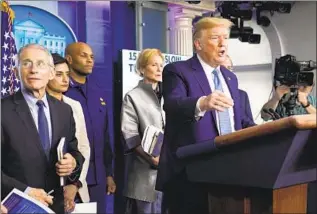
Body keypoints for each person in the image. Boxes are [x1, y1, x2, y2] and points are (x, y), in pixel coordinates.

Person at [156, 17, 252, 214]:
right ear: (198, 44)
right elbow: (173, 105)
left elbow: (239, 122)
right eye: (215, 37)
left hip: (230, 170)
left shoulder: (230, 78)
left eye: (225, 37)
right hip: (190, 173)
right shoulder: (178, 71)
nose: (223, 43)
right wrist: (202, 102)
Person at [1, 44, 84, 214]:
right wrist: (25, 191)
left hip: (56, 206)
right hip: (17, 207)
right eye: (26, 63)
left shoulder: (64, 111)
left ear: (51, 73)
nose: (33, 70)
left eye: (40, 64)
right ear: (16, 72)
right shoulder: (3, 110)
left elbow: (75, 152)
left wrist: (73, 163)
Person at [64, 42, 116, 213]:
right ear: (69, 59)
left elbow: (105, 135)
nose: (89, 60)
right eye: (83, 55)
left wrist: (108, 173)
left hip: (98, 177)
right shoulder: (61, 92)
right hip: (72, 179)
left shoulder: (98, 92)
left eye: (92, 57)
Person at [121, 49, 164, 214]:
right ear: (142, 68)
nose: (159, 69)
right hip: (144, 176)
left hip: (169, 174)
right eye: (154, 65)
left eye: (161, 65)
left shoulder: (169, 95)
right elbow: (129, 135)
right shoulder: (133, 96)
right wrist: (152, 159)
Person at [46, 53, 91, 212]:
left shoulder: (74, 105)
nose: (65, 79)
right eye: (59, 74)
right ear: (47, 74)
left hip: (75, 186)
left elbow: (83, 147)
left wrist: (74, 184)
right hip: (45, 189)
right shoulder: (33, 108)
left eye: (67, 74)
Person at [222, 55, 256, 127]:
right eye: (223, 69)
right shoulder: (209, 95)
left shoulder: (242, 95)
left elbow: (248, 123)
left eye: (229, 68)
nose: (227, 72)